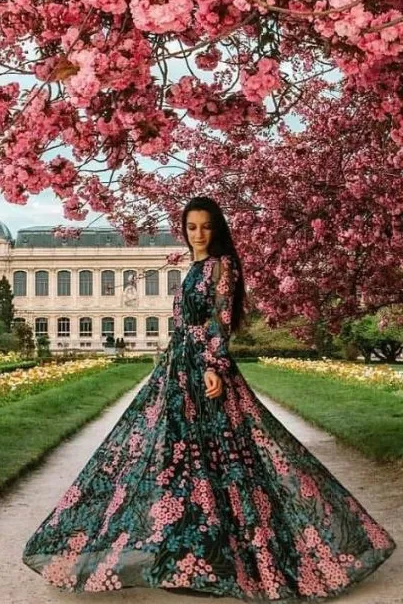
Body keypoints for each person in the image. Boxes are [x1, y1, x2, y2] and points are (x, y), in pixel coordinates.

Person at [22, 195, 396, 599]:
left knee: (222, 462)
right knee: (180, 461)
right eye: (191, 227)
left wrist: (214, 367)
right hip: (179, 373)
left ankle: (218, 559)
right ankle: (192, 555)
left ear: (217, 230)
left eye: (205, 226)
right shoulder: (195, 268)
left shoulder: (221, 266)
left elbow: (218, 321)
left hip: (203, 372)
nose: (197, 234)